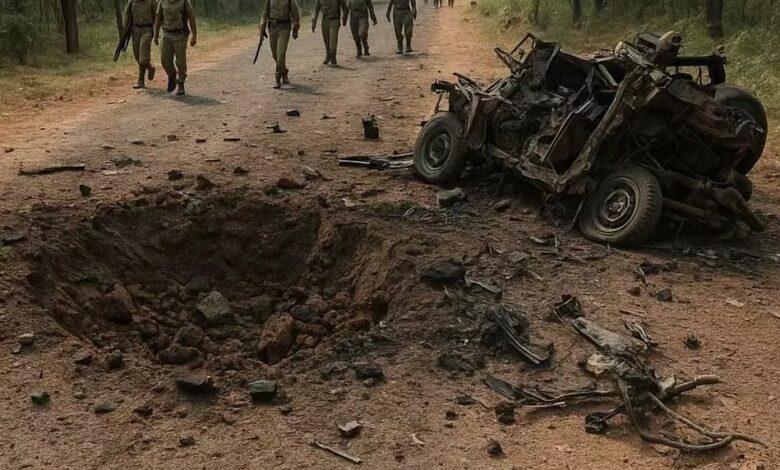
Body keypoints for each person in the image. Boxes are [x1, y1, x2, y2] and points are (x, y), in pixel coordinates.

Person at [154, 0, 197, 96]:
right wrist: (156, 35)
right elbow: (158, 18)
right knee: (164, 59)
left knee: (180, 60)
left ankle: (181, 82)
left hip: (180, 34)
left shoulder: (184, 2)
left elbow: (191, 17)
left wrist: (194, 35)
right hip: (166, 34)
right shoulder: (162, 2)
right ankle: (172, 74)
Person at [259, 0, 301, 88]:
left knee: (281, 54)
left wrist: (295, 28)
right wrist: (262, 25)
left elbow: (295, 13)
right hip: (273, 28)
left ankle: (278, 78)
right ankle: (284, 72)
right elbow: (265, 13)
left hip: (284, 28)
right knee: (275, 55)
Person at [124, 0, 158, 89]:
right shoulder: (132, 2)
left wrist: (156, 32)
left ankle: (141, 80)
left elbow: (157, 17)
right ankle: (149, 68)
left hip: (147, 30)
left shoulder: (152, 2)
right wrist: (125, 30)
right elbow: (127, 15)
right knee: (137, 55)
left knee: (143, 58)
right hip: (135, 30)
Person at [312, 0, 348, 66]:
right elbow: (316, 8)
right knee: (326, 40)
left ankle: (333, 56)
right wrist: (314, 21)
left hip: (334, 20)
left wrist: (344, 18)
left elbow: (344, 6)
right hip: (325, 20)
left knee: (333, 40)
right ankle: (328, 55)